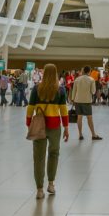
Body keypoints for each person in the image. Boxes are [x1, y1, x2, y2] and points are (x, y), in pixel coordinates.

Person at [26, 64, 69, 200]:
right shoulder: (60, 90)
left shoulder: (37, 88)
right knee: (54, 154)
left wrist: (29, 124)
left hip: (39, 125)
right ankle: (51, 184)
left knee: (38, 158)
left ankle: (39, 190)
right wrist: (66, 127)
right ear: (56, 73)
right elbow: (63, 110)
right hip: (55, 126)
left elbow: (30, 107)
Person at [70, 66, 102, 140]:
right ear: (89, 71)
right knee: (89, 118)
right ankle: (93, 135)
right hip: (87, 101)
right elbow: (93, 91)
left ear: (83, 71)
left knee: (79, 118)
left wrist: (73, 99)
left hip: (77, 101)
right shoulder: (91, 80)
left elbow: (74, 91)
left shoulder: (77, 79)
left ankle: (80, 135)